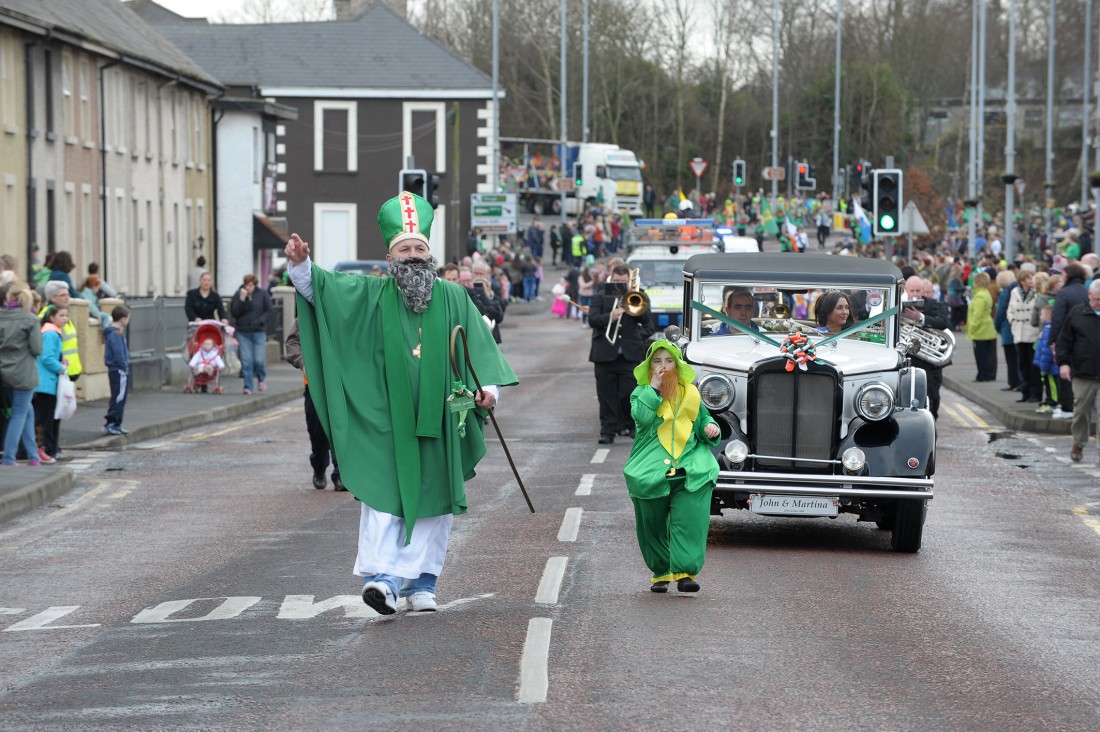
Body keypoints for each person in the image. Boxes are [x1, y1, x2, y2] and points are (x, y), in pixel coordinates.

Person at [284, 190, 518, 616]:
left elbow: (479, 352)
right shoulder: (373, 294)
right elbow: (325, 294)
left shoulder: (453, 296)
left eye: (419, 248)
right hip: (387, 419)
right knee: (383, 497)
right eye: (404, 249)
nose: (413, 255)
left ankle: (423, 583)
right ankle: (384, 580)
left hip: (444, 417)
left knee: (434, 503)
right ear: (391, 256)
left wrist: (489, 392)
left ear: (430, 253)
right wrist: (302, 266)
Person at [623, 339, 720, 593]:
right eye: (657, 361)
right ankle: (661, 570)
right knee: (651, 523)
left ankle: (685, 572)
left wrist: (711, 429)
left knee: (689, 518)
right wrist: (654, 389)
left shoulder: (691, 392)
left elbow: (702, 420)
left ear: (677, 365)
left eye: (668, 361)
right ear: (649, 366)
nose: (663, 366)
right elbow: (642, 419)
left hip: (690, 466)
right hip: (651, 468)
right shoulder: (640, 393)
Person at [588, 264, 656, 444]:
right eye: (616, 281)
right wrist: (610, 317)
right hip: (604, 355)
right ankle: (607, 431)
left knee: (629, 394)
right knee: (606, 396)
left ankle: (630, 426)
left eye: (623, 282)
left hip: (629, 355)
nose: (619, 284)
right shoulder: (600, 296)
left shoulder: (638, 296)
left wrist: (635, 337)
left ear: (629, 281)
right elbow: (592, 320)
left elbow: (648, 324)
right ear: (610, 279)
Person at [284, 319, 344, 492]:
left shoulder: (343, 308)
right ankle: (319, 467)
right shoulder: (307, 313)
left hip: (340, 384)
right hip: (314, 385)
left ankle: (340, 475)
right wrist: (303, 363)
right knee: (317, 433)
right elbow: (293, 342)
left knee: (340, 428)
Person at [0, 282, 45, 466]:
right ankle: (9, 457)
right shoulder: (30, 319)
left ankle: (33, 456)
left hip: (4, 370)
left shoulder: (2, 317)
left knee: (27, 411)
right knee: (19, 413)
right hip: (24, 371)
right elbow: (37, 349)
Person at [1055, 280, 1100, 463]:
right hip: (1083, 372)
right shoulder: (1077, 313)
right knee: (1081, 411)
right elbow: (1064, 340)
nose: (1099, 303)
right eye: (1096, 299)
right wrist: (1064, 363)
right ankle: (1078, 443)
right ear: (1089, 296)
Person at [901, 276, 952, 419]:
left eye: (918, 290)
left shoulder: (934, 304)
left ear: (923, 290)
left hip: (928, 361)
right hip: (908, 358)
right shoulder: (898, 304)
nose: (915, 294)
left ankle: (931, 424)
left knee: (931, 396)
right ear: (906, 290)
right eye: (912, 290)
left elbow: (944, 322)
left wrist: (921, 318)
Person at [34, 304, 68, 461]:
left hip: (46, 382)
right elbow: (47, 358)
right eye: (61, 315)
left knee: (47, 417)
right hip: (46, 383)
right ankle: (46, 449)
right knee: (47, 418)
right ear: (52, 317)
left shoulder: (51, 332)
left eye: (66, 315)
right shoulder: (51, 333)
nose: (65, 318)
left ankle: (49, 448)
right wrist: (61, 367)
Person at [230, 273, 273, 395]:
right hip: (243, 332)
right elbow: (234, 313)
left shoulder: (263, 294)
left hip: (259, 332)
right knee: (247, 361)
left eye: (250, 285)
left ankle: (261, 378)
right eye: (246, 285)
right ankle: (248, 386)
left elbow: (270, 311)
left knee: (258, 360)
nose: (248, 287)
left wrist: (261, 321)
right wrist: (242, 300)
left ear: (255, 284)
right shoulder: (239, 294)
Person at [1007, 269, 1041, 403]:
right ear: (1022, 280)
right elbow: (1009, 309)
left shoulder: (1037, 292)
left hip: (1032, 332)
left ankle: (1035, 394)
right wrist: (1012, 320)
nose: (1031, 280)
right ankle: (1025, 393)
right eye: (1028, 278)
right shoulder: (1014, 292)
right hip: (1019, 332)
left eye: (1032, 277)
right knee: (1023, 365)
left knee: (1034, 366)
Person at [39, 282, 82, 386]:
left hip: (70, 371)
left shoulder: (63, 314)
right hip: (57, 372)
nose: (67, 298)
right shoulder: (47, 316)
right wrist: (60, 368)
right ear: (52, 298)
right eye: (63, 295)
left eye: (68, 295)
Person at [102, 305, 131, 436]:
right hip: (119, 370)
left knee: (118, 396)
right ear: (123, 319)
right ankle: (112, 423)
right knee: (119, 397)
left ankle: (116, 423)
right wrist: (124, 367)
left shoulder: (112, 332)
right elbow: (119, 353)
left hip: (115, 369)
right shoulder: (116, 333)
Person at [967, 271, 998, 381]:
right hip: (988, 328)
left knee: (981, 355)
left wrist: (972, 327)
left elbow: (977, 314)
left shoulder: (979, 296)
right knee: (989, 354)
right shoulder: (986, 293)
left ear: (978, 283)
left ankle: (982, 375)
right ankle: (989, 374)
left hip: (980, 330)